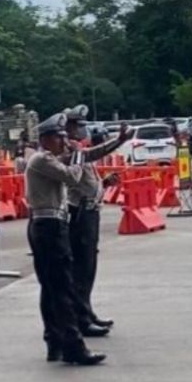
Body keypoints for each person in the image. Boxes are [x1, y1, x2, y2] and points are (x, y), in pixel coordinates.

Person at [25, 113, 104, 366]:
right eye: (60, 137)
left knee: (52, 288)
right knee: (62, 287)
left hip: (50, 224)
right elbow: (72, 176)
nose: (65, 141)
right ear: (47, 139)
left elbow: (82, 160)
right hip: (49, 226)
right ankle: (73, 344)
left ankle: (55, 341)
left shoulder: (47, 159)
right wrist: (79, 153)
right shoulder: (41, 159)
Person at [64, 105, 132, 336]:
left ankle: (87, 312)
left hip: (90, 211)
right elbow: (92, 159)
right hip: (80, 214)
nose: (82, 131)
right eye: (78, 126)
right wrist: (119, 140)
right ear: (69, 128)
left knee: (89, 266)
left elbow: (87, 181)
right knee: (82, 267)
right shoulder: (71, 151)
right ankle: (81, 319)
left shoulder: (79, 150)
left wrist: (103, 183)